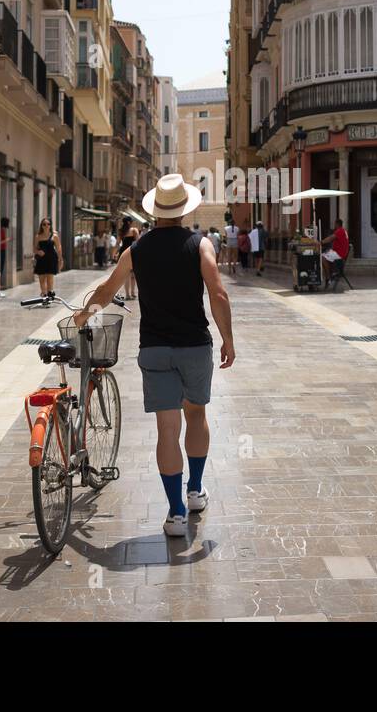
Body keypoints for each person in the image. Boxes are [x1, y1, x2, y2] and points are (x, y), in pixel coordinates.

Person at [77, 174, 235, 538]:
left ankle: (176, 513)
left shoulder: (136, 250)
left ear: (155, 211)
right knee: (196, 415)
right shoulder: (201, 245)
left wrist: (83, 315)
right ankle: (195, 491)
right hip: (194, 345)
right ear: (185, 209)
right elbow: (218, 293)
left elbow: (106, 288)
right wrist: (227, 339)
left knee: (167, 428)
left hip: (155, 349)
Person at [32, 218, 61, 298]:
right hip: (41, 259)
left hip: (51, 259)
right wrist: (38, 252)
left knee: (49, 279)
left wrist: (60, 260)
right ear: (41, 226)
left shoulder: (54, 236)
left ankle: (49, 294)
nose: (46, 226)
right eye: (44, 224)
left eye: (48, 224)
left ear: (50, 225)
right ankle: (44, 294)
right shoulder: (38, 236)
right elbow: (34, 248)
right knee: (41, 279)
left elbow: (59, 248)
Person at [320, 218, 350, 282]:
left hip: (339, 253)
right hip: (340, 252)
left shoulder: (340, 231)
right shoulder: (343, 230)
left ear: (337, 224)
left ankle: (328, 278)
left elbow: (330, 238)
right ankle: (331, 273)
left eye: (335, 224)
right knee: (324, 253)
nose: (334, 226)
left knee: (322, 258)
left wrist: (321, 242)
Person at [118, 220, 139, 300]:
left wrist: (115, 253)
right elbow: (138, 241)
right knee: (133, 275)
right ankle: (132, 293)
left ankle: (127, 294)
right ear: (130, 222)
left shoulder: (121, 231)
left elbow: (118, 243)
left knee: (126, 275)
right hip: (132, 252)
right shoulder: (134, 230)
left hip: (123, 253)